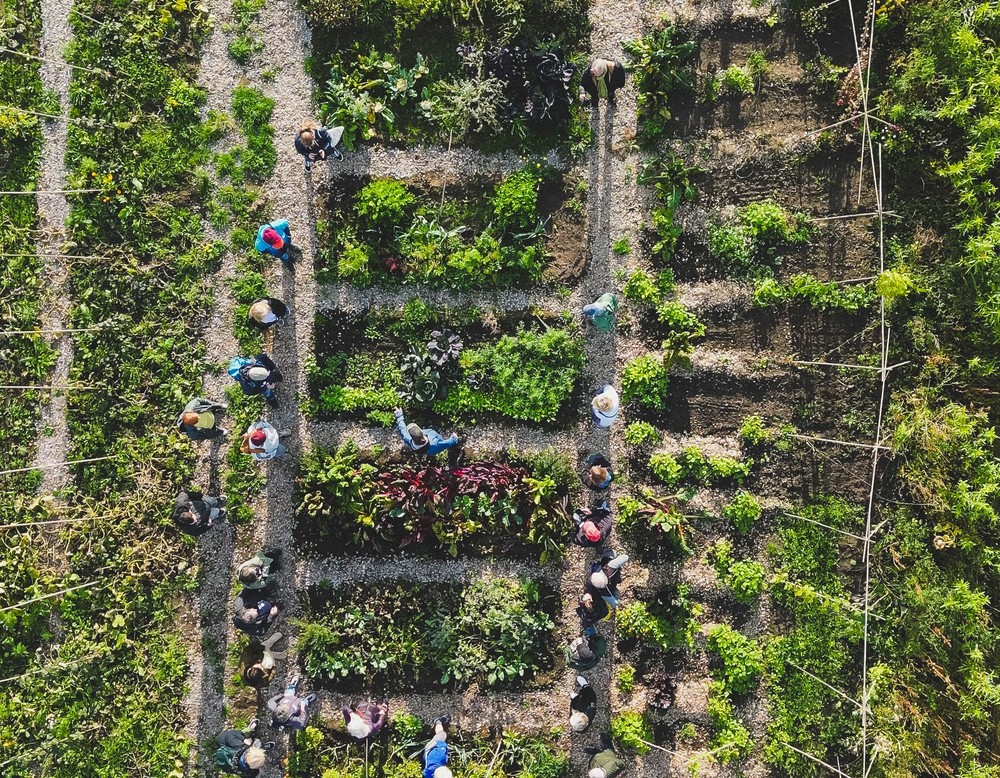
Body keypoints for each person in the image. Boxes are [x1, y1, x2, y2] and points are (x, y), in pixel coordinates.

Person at [394, 407, 460, 456]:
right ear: (422, 432)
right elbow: (447, 443)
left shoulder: (407, 438)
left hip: (426, 450)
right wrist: (454, 438)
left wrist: (399, 416)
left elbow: (402, 429)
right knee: (442, 442)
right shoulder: (435, 444)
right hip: (434, 447)